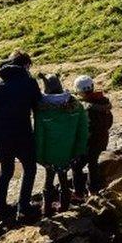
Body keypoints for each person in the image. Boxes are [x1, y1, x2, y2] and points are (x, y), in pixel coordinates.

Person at [0, 50, 42, 221]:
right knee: (30, 169)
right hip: (22, 133)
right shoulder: (29, 82)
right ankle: (24, 207)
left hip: (1, 136)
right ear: (25, 65)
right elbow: (38, 105)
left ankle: (0, 209)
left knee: (6, 171)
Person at [34, 74, 89, 216]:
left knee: (49, 179)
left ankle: (46, 209)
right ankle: (64, 206)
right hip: (69, 151)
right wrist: (79, 150)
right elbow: (83, 131)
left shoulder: (42, 110)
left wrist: (39, 156)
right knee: (64, 179)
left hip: (49, 154)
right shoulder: (76, 105)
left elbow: (39, 136)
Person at [71, 75, 113, 197]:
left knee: (77, 166)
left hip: (90, 142)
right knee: (93, 163)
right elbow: (109, 122)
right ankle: (93, 189)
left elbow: (84, 129)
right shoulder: (104, 102)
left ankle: (79, 192)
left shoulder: (87, 108)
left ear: (79, 91)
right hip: (102, 139)